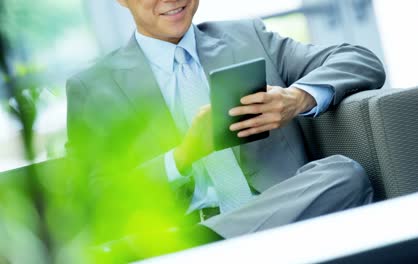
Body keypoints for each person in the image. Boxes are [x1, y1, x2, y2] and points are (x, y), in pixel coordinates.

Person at [66, 0, 385, 247]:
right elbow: (97, 199)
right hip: (179, 228)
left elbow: (360, 59)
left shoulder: (248, 37)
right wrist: (181, 157)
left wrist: (296, 98)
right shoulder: (94, 88)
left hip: (283, 210)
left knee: (344, 175)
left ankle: (210, 246)